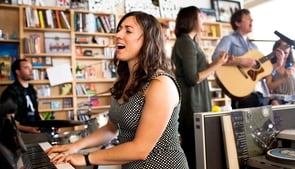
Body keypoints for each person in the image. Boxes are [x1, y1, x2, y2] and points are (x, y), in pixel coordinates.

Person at [47, 11, 189, 168]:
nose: (118, 35)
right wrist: (75, 146)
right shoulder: (125, 81)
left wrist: (86, 158)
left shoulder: (161, 84)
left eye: (128, 30)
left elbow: (140, 149)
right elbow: (111, 129)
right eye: (119, 29)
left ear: (148, 40)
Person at [171, 6, 228, 169]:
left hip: (196, 103)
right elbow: (192, 78)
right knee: (194, 153)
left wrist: (217, 63)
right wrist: (216, 65)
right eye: (200, 17)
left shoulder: (190, 42)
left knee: (198, 152)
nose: (203, 19)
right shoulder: (185, 42)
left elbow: (198, 72)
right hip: (192, 105)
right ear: (191, 20)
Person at [211, 8, 267, 109]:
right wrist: (241, 61)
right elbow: (216, 57)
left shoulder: (254, 46)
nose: (252, 20)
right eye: (248, 18)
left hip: (259, 94)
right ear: (237, 23)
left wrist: (276, 63)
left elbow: (263, 71)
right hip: (242, 94)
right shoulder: (229, 39)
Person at [0, 59, 43, 133]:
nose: (31, 71)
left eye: (31, 68)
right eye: (26, 68)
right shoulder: (10, 92)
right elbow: (9, 119)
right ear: (18, 72)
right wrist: (28, 129)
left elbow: (36, 112)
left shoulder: (32, 90)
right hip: (18, 135)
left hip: (36, 131)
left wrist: (50, 125)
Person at [266, 40, 295, 105]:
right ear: (277, 50)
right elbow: (269, 86)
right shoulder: (271, 66)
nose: (286, 49)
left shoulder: (294, 64)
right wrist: (283, 78)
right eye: (283, 47)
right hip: (280, 99)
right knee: (274, 103)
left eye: (288, 46)